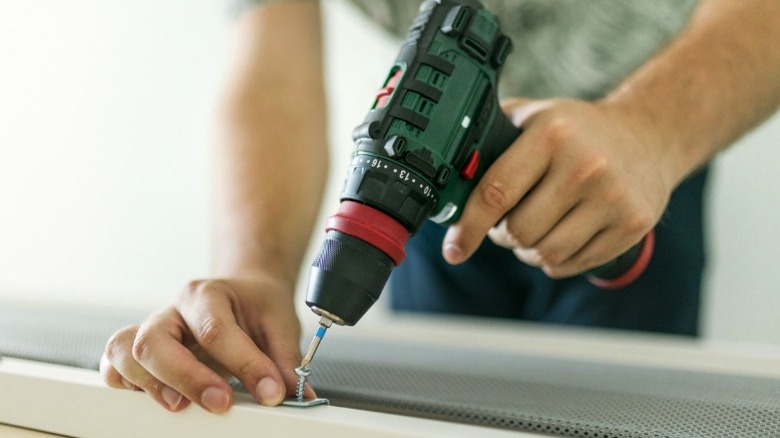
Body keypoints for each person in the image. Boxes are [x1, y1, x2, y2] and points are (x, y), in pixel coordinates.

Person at [100, 0, 780, 414]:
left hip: (639, 156)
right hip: (430, 184)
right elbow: (272, 67)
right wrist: (255, 270)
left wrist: (653, 130)